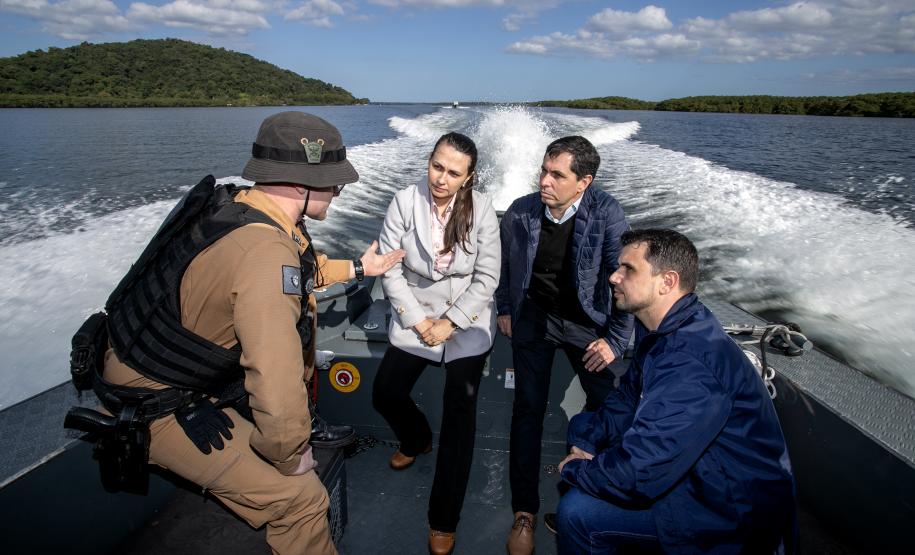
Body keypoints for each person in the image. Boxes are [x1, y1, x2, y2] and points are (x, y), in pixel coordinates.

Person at [80, 112, 404, 554]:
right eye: (333, 183)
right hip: (152, 402)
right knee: (302, 501)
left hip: (158, 370)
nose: (337, 193)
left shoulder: (244, 209)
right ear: (299, 184)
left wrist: (365, 267)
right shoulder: (266, 254)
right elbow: (274, 372)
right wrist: (291, 454)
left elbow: (307, 267)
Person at [553, 229, 796, 554]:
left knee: (577, 514)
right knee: (583, 427)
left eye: (628, 269)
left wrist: (575, 469)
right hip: (694, 475)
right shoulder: (659, 328)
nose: (613, 277)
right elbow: (627, 397)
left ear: (666, 282)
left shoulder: (691, 362)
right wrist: (586, 444)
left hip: (727, 510)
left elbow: (640, 473)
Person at [495, 135, 633, 554]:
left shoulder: (607, 214)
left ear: (583, 182)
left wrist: (614, 339)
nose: (545, 181)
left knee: (610, 405)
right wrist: (505, 307)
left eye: (557, 175)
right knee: (527, 411)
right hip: (534, 319)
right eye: (543, 170)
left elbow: (624, 277)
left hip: (586, 324)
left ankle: (597, 495)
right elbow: (504, 265)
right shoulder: (521, 212)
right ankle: (525, 512)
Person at [373, 132, 500, 555]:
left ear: (469, 178)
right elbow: (390, 270)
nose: (441, 179)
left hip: (467, 320)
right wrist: (417, 320)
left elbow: (486, 279)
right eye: (437, 166)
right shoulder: (403, 202)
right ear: (429, 161)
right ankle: (415, 440)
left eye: (453, 172)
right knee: (386, 393)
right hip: (416, 312)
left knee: (459, 416)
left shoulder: (482, 211)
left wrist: (450, 322)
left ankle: (443, 519)